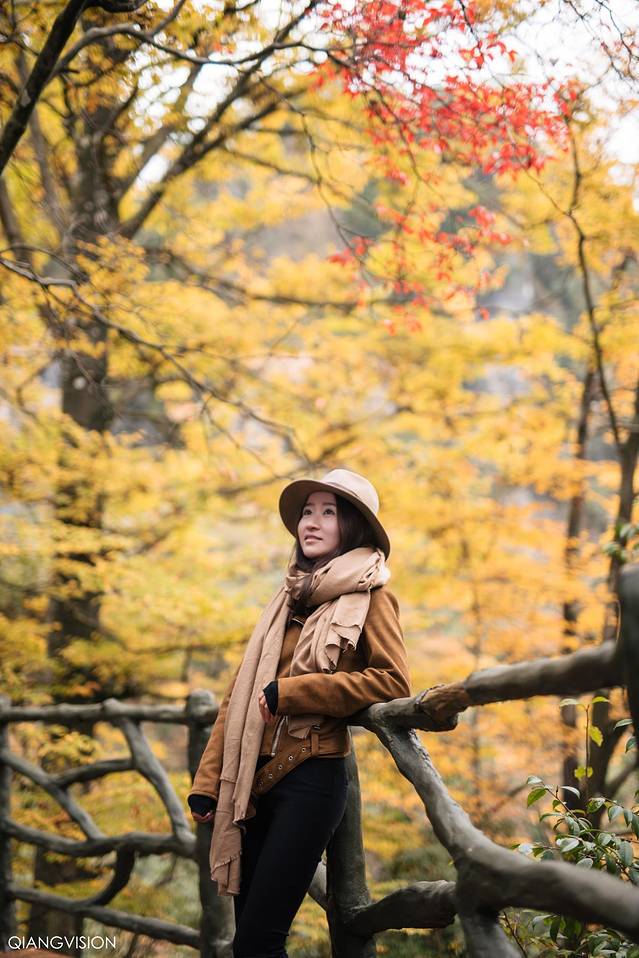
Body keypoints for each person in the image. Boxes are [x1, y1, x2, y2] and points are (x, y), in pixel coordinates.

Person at [187, 468, 411, 958]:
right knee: (249, 941)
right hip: (253, 785)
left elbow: (393, 681)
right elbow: (238, 695)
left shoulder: (372, 597)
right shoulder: (286, 600)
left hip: (311, 780)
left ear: (353, 526)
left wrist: (296, 692)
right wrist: (207, 782)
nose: (311, 522)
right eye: (308, 512)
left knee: (260, 941)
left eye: (328, 513)